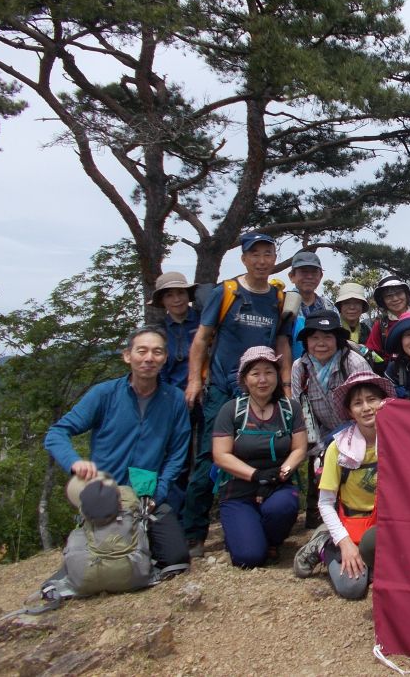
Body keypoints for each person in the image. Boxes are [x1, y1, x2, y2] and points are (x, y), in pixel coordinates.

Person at [182, 232, 293, 557]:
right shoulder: (226, 292)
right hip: (223, 388)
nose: (261, 260)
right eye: (254, 254)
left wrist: (285, 385)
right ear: (244, 258)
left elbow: (283, 343)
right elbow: (202, 339)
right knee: (207, 457)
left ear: (274, 258)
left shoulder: (278, 297)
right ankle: (194, 533)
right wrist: (193, 380)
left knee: (271, 451)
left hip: (265, 388)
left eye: (267, 254)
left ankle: (265, 519)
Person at [44, 326, 191, 572]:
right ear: (127, 356)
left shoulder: (174, 398)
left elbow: (178, 453)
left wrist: (158, 493)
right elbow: (56, 433)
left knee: (176, 559)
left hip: (147, 497)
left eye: (157, 352)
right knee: (103, 563)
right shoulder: (105, 394)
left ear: (164, 358)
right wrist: (74, 461)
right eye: (141, 351)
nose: (149, 358)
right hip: (105, 494)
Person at [293, 372, 396, 598]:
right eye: (358, 403)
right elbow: (326, 502)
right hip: (351, 525)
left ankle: (371, 561)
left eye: (372, 400)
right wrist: (345, 542)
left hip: (387, 526)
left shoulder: (399, 440)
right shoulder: (338, 448)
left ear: (384, 402)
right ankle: (324, 544)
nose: (367, 408)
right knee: (352, 587)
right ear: (350, 412)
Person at [212, 346, 307, 568]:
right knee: (249, 558)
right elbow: (221, 455)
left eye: (269, 372)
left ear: (277, 375)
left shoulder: (289, 408)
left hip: (278, 483)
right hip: (238, 488)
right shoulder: (232, 410)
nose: (263, 380)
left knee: (283, 506)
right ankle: (247, 536)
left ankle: (270, 539)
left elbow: (299, 449)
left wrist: (279, 475)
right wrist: (257, 476)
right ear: (245, 379)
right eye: (255, 373)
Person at [292, 311, 373, 527]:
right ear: (306, 341)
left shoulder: (353, 362)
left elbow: (368, 405)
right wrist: (319, 446)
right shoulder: (300, 368)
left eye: (327, 337)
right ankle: (317, 520)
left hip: (357, 432)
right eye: (315, 338)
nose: (321, 343)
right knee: (319, 471)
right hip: (321, 433)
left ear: (337, 339)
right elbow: (301, 410)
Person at [151, 270, 203, 507]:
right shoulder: (159, 331)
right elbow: (157, 371)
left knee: (207, 458)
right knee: (177, 459)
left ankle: (198, 517)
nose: (177, 299)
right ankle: (175, 517)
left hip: (207, 397)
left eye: (180, 293)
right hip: (172, 402)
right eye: (170, 295)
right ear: (162, 301)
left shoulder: (204, 321)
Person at [288, 251, 335, 359]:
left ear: (321, 276)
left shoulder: (328, 307)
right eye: (304, 272)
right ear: (292, 276)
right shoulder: (283, 303)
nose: (309, 276)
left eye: (314, 272)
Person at [365, 275, 410, 361]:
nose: (395, 299)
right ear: (383, 301)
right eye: (388, 296)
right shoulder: (381, 325)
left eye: (399, 293)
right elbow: (371, 351)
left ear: (406, 294)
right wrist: (381, 365)